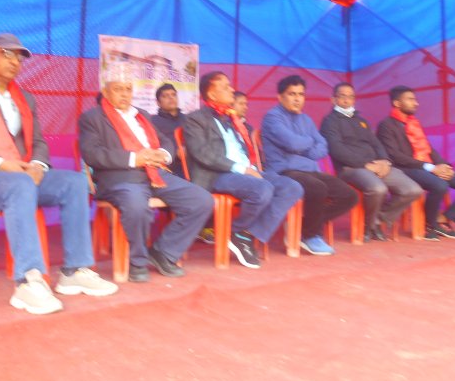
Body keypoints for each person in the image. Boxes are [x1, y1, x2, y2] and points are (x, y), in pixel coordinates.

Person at [0, 32, 117, 316]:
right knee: (20, 184)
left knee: (74, 182)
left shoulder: (24, 98)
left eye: (19, 57)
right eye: (6, 54)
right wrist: (0, 163)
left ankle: (74, 270)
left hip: (20, 175)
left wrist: (38, 165)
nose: (14, 61)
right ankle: (28, 280)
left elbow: (37, 142)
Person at [78, 63, 213, 282]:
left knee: (202, 200)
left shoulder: (141, 115)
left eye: (128, 89)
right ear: (106, 91)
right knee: (136, 205)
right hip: (121, 178)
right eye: (118, 89)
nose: (124, 94)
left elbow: (165, 140)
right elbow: (92, 154)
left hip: (155, 174)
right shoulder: (92, 118)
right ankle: (137, 261)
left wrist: (163, 154)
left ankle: (163, 252)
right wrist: (135, 158)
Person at [183, 72, 303, 267]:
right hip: (218, 174)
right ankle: (238, 232)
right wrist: (241, 168)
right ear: (211, 95)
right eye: (225, 87)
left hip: (246, 171)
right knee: (262, 188)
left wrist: (250, 167)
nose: (231, 89)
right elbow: (203, 153)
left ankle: (244, 233)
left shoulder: (231, 118)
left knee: (292, 187)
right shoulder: (195, 119)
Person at [261, 75, 358, 255]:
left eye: (301, 94)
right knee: (317, 188)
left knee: (349, 195)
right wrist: (309, 142)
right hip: (284, 171)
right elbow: (293, 143)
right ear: (280, 97)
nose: (297, 99)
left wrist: (304, 145)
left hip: (309, 170)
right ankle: (310, 236)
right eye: (292, 94)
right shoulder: (273, 117)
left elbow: (322, 147)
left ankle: (303, 225)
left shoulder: (306, 119)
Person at [377, 85, 455, 240]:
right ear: (397, 103)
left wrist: (445, 166)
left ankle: (444, 218)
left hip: (428, 168)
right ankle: (431, 225)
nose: (416, 103)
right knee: (439, 185)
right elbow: (394, 156)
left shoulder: (413, 123)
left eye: (415, 99)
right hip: (406, 169)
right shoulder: (386, 125)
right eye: (410, 99)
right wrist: (431, 168)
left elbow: (428, 149)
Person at [320, 82, 422, 241]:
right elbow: (336, 149)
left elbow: (376, 143)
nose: (347, 100)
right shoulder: (329, 122)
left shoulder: (361, 120)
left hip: (376, 165)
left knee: (413, 190)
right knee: (378, 188)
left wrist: (385, 161)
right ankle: (369, 227)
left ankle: (376, 221)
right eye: (342, 96)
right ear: (333, 99)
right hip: (350, 168)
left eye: (351, 97)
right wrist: (365, 165)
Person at [151, 83, 187, 178]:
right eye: (165, 96)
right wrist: (175, 152)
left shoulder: (188, 119)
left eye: (173, 95)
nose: (171, 98)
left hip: (191, 165)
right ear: (158, 102)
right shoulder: (152, 122)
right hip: (167, 168)